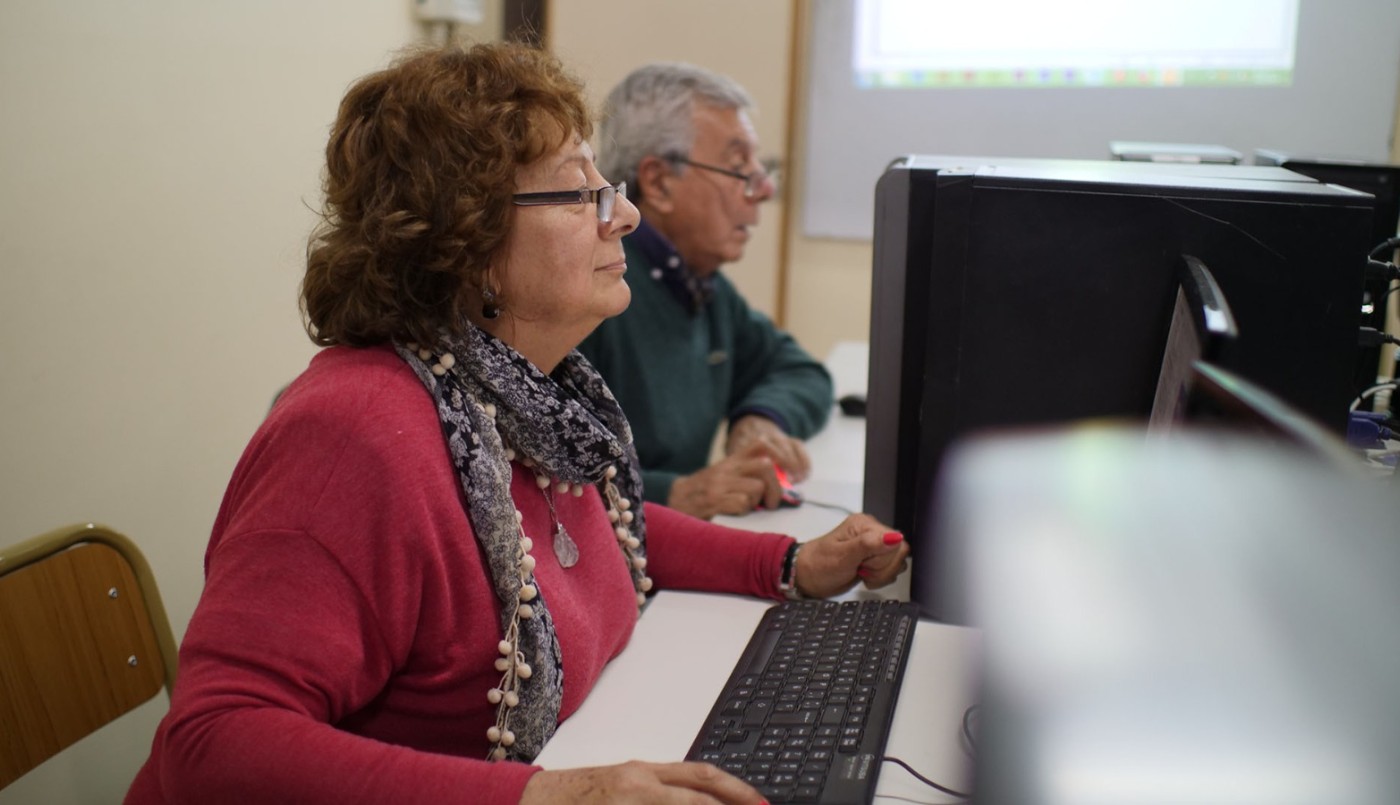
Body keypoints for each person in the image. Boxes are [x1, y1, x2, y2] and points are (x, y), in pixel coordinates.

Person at [125, 43, 908, 805]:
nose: (625, 213)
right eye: (581, 192)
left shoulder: (520, 400)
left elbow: (612, 528)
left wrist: (789, 564)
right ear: (470, 243)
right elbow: (213, 744)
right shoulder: (351, 436)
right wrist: (547, 794)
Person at [579, 63, 834, 521]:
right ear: (658, 183)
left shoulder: (700, 284)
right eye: (740, 168)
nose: (765, 188)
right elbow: (535, 480)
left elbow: (801, 371)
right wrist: (676, 494)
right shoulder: (593, 290)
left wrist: (762, 418)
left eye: (762, 166)